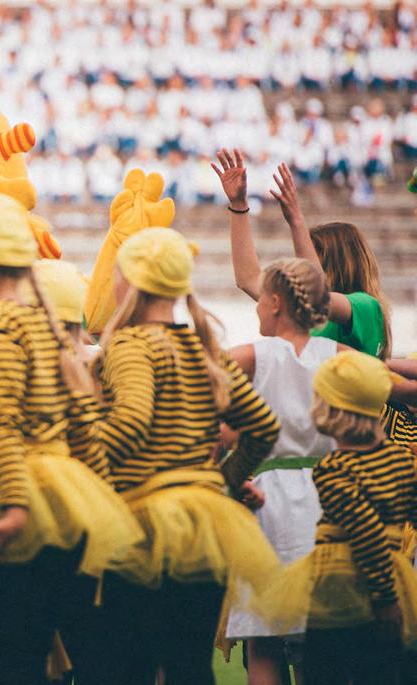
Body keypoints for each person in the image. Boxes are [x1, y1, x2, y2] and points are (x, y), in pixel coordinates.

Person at [0, 193, 142, 684]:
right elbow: (79, 418)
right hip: (66, 505)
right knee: (82, 655)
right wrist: (102, 501)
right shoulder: (45, 324)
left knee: (14, 662)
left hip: (16, 504)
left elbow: (1, 422)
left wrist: (15, 507)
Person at [85, 226, 282, 684]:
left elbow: (132, 419)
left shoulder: (131, 344)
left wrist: (79, 473)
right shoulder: (204, 347)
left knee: (122, 667)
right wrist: (223, 483)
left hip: (140, 525)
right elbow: (264, 427)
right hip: (206, 527)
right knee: (189, 667)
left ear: (129, 280)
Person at [255, 351, 417, 684]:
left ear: (330, 412)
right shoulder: (400, 462)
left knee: (324, 670)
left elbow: (363, 530)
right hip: (388, 578)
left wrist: (384, 598)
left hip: (337, 587)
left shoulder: (332, 469)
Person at [222, 258, 345, 685]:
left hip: (268, 501)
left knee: (264, 640)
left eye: (260, 300)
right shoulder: (336, 356)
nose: (256, 308)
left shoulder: (255, 355)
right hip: (325, 500)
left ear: (275, 303)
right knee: (320, 637)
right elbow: (388, 378)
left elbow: (200, 370)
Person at [215, 148, 391, 359]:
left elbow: (318, 296)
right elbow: (248, 279)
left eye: (310, 257)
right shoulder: (306, 314)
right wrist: (239, 205)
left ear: (335, 263)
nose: (302, 268)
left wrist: (296, 221)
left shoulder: (367, 307)